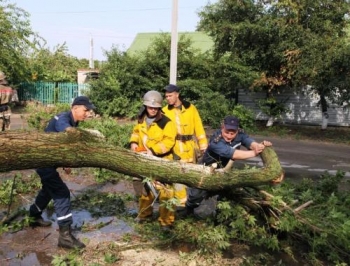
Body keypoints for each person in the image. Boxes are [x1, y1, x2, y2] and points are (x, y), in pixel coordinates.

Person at [29, 96, 96, 249]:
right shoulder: (64, 118)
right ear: (75, 108)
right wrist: (73, 132)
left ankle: (34, 215)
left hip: (48, 161)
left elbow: (63, 143)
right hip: (43, 161)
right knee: (61, 192)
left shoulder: (74, 121)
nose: (87, 114)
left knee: (48, 190)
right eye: (85, 110)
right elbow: (64, 129)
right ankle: (65, 236)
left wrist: (66, 162)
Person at [182, 115, 272, 217]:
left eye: (232, 133)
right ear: (222, 127)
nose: (229, 136)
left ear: (237, 130)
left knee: (224, 194)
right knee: (195, 195)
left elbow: (249, 142)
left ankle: (219, 216)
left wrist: (258, 146)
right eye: (226, 132)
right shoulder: (215, 140)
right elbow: (234, 154)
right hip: (207, 169)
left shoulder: (240, 135)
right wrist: (254, 153)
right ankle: (188, 210)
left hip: (225, 170)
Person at [130, 90, 177, 230]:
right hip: (144, 159)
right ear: (145, 106)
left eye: (155, 108)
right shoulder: (141, 119)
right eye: (150, 107)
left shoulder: (166, 123)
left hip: (162, 160)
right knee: (145, 190)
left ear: (159, 108)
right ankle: (144, 215)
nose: (152, 110)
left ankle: (166, 222)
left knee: (166, 192)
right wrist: (133, 143)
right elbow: (136, 132)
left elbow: (169, 141)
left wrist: (153, 150)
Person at [162, 84, 208, 209]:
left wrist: (203, 147)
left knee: (191, 178)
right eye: (166, 96)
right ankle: (182, 207)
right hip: (175, 150)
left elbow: (199, 128)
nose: (168, 98)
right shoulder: (165, 111)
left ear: (177, 94)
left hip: (190, 149)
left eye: (170, 95)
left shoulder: (191, 108)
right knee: (178, 179)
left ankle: (190, 205)